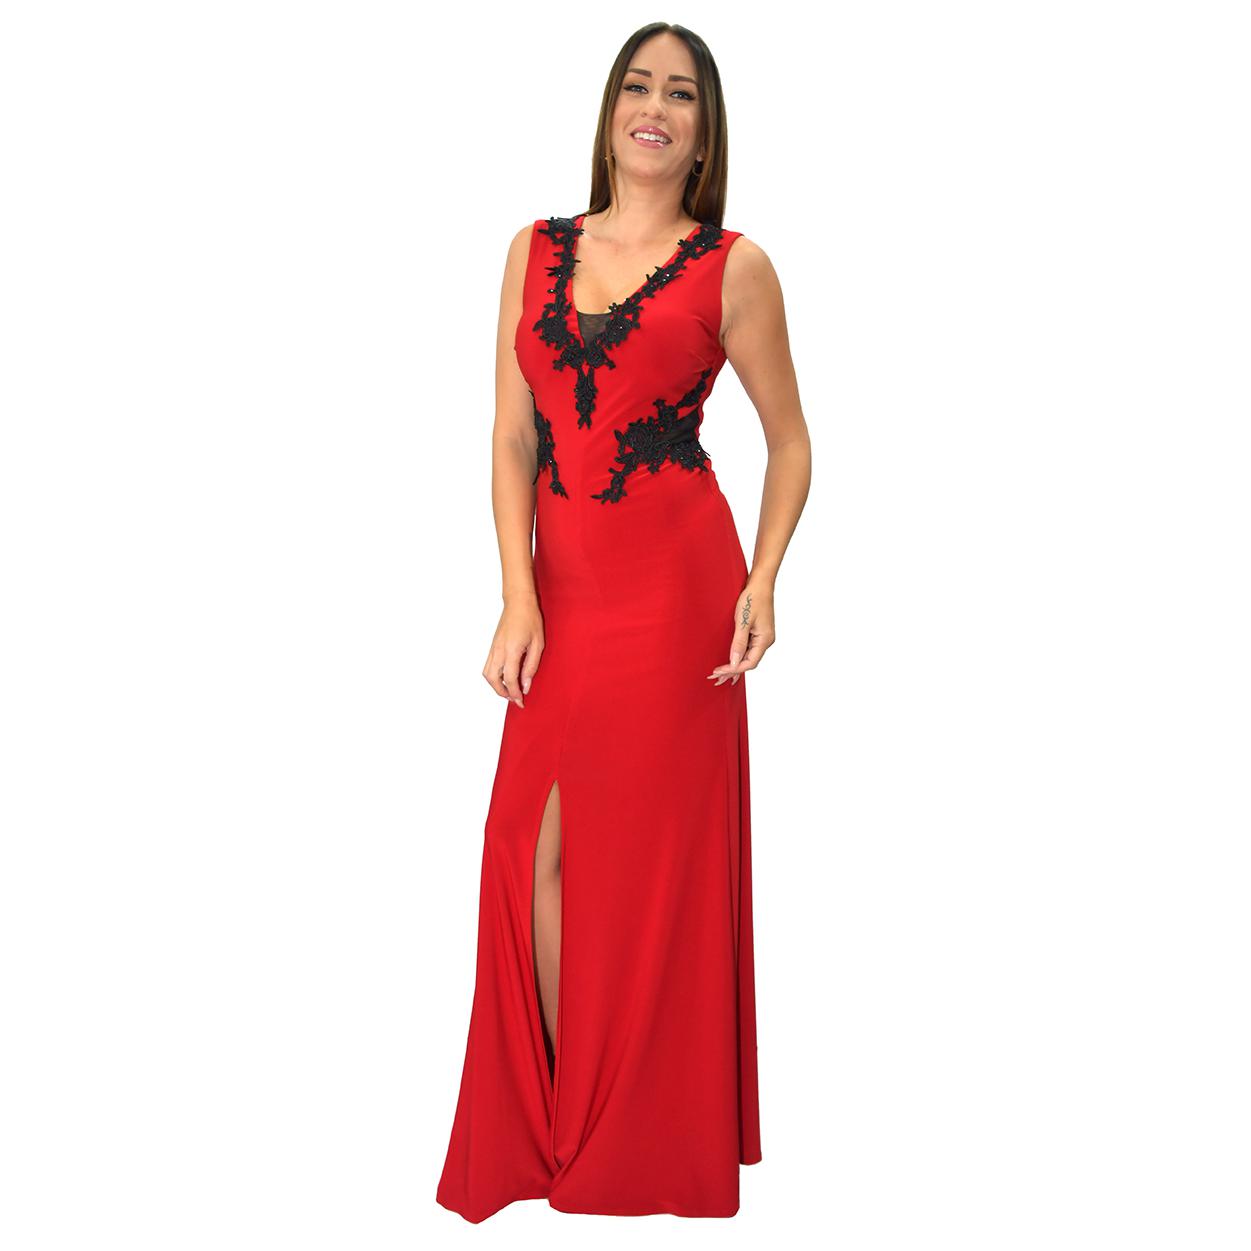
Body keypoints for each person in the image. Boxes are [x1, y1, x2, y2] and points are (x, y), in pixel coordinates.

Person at [436, 21, 811, 1222]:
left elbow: (792, 444)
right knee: (530, 853)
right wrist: (517, 591)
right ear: (610, 113)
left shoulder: (735, 269)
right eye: (639, 87)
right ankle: (564, 1123)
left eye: (682, 95)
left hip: (675, 592)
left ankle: (618, 1138)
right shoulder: (534, 248)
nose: (657, 107)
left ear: (705, 133)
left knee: (643, 870)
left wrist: (762, 579)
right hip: (565, 591)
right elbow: (512, 435)